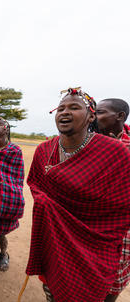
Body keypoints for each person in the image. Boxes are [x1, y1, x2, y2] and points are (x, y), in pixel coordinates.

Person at [26, 88, 130, 302]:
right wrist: (48, 205)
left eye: (74, 107)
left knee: (94, 293)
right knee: (53, 291)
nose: (65, 112)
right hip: (55, 239)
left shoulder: (115, 152)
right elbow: (35, 184)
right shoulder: (44, 150)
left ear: (91, 115)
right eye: (61, 108)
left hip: (95, 244)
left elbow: (122, 204)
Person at [96, 98, 130, 300]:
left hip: (121, 230)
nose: (94, 117)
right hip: (88, 223)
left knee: (111, 281)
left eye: (100, 112)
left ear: (119, 116)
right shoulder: (86, 141)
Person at [0, 117, 24, 271]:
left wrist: (0, 183)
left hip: (5, 199)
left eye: (1, 125)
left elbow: (17, 178)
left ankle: (3, 255)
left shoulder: (15, 151)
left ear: (7, 130)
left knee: (0, 232)